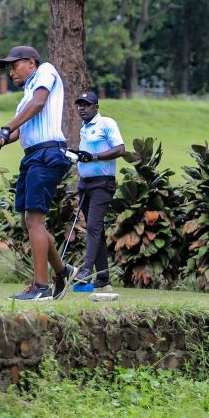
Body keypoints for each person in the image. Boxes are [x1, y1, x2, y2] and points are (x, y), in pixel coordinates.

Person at [0, 45, 76, 301]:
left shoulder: (45, 72)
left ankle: (42, 287)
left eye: (14, 66)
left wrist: (6, 128)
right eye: (8, 68)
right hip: (32, 157)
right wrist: (2, 139)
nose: (11, 72)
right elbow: (18, 130)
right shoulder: (26, 95)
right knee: (30, 221)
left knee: (35, 220)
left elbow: (39, 104)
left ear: (30, 62)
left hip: (48, 154)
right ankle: (63, 270)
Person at [72, 91, 126, 290]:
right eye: (80, 104)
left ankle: (86, 270)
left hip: (102, 184)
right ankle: (103, 279)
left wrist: (93, 157)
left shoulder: (106, 124)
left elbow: (120, 149)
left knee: (94, 226)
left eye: (86, 105)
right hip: (85, 184)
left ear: (96, 106)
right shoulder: (84, 127)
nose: (82, 108)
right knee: (97, 230)